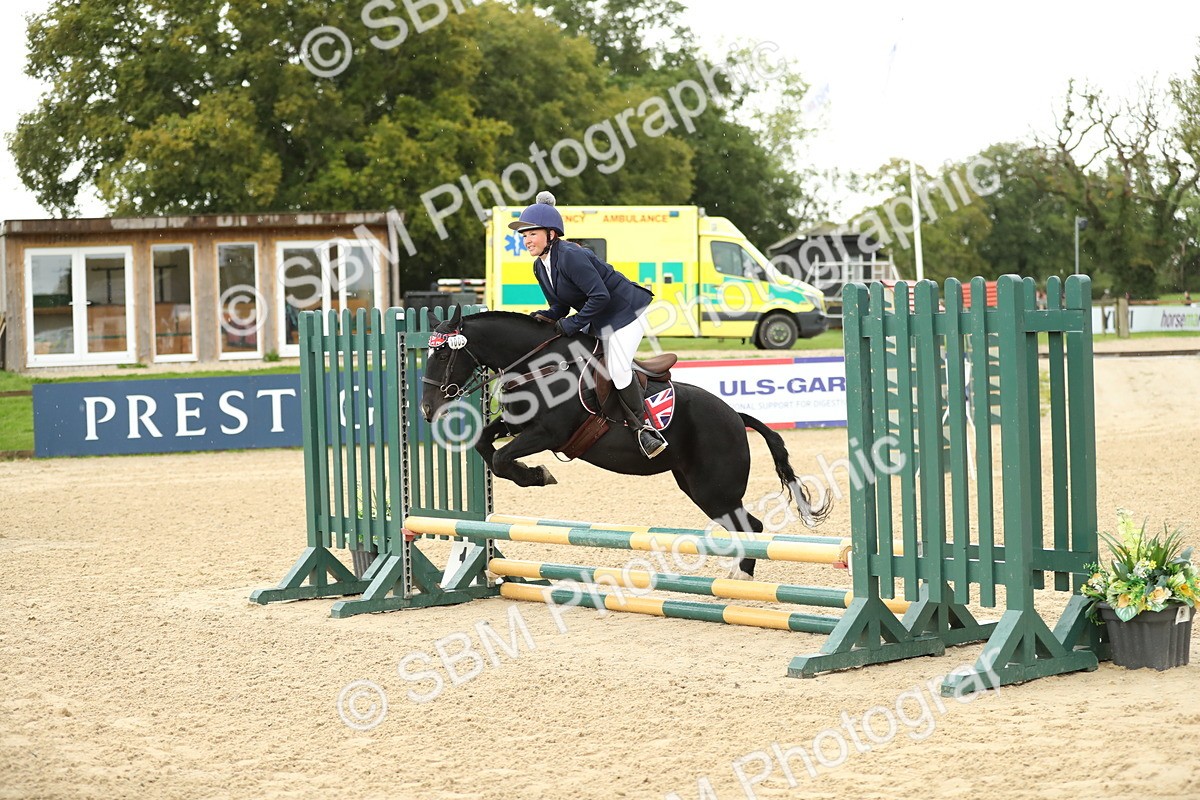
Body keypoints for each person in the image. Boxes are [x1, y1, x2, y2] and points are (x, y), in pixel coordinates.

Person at [511, 191, 668, 458]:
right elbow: (560, 306)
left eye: (532, 234)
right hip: (599, 319)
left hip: (625, 314)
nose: (527, 240)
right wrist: (541, 318)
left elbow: (600, 296)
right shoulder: (540, 266)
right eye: (524, 235)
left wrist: (572, 325)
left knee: (617, 369)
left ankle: (644, 430)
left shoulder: (571, 255)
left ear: (551, 234)